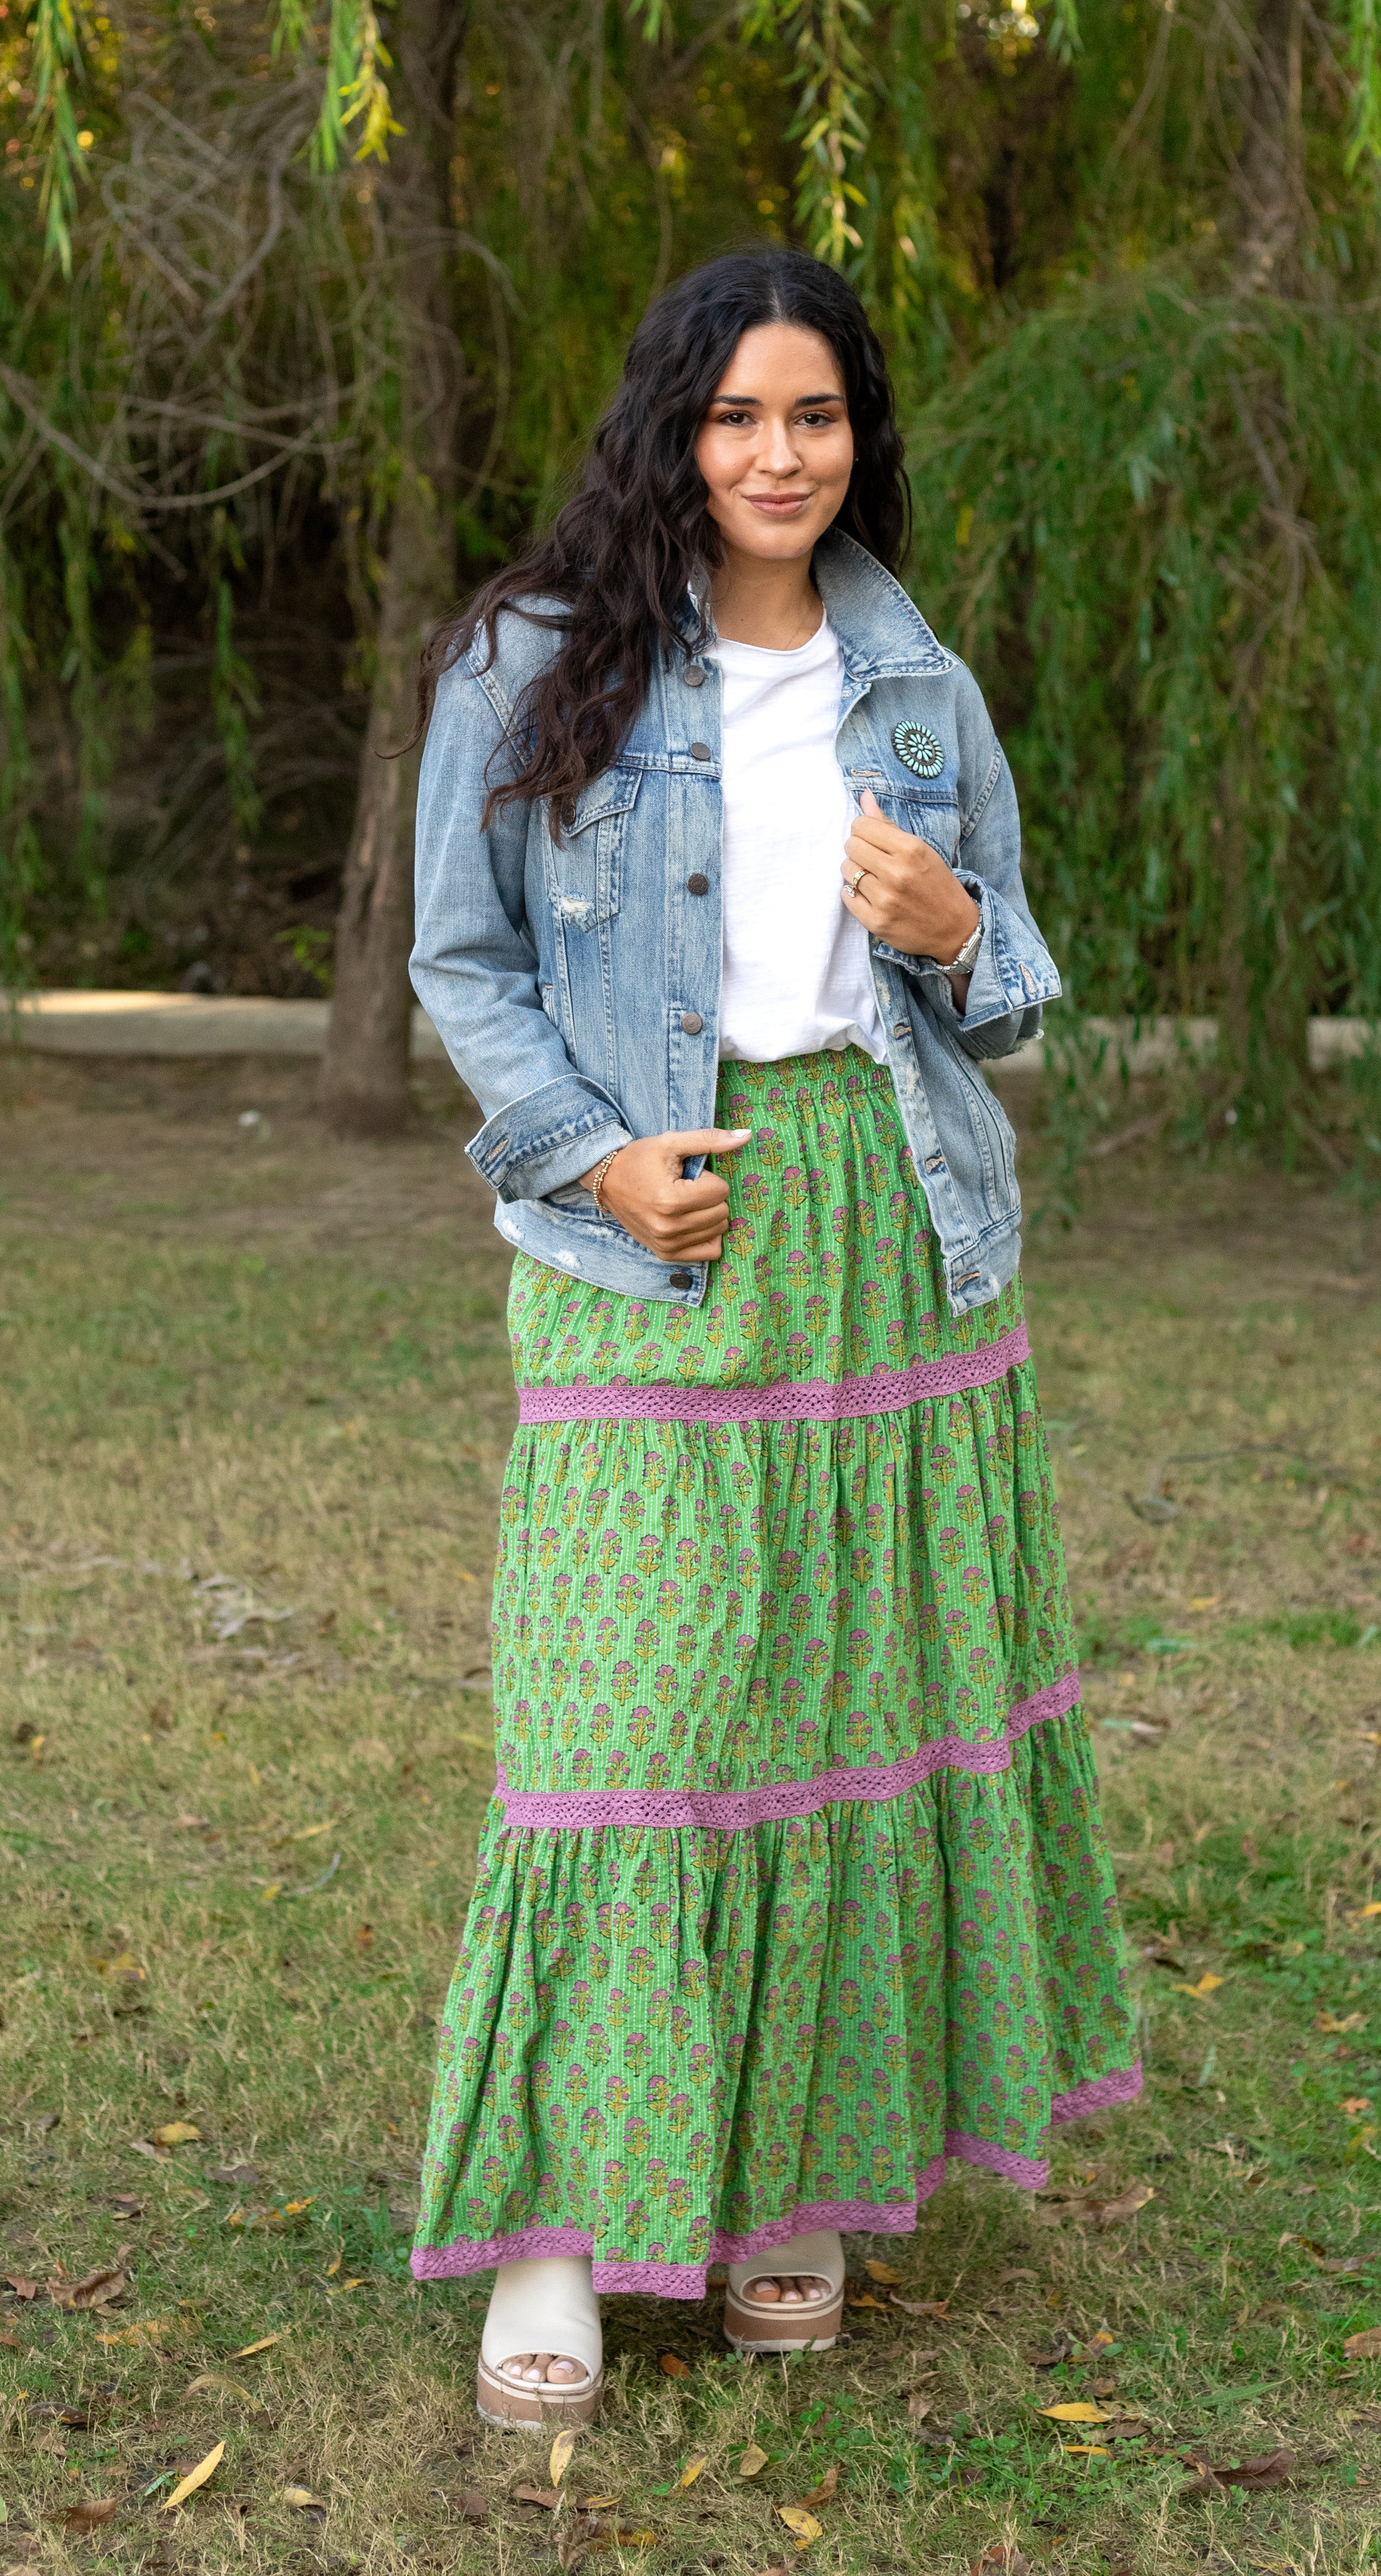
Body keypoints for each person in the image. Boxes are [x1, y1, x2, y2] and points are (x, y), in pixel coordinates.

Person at [407, 251, 1140, 2428]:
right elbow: (461, 957)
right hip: (650, 1218)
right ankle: (556, 2226)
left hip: (878, 1225)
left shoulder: (913, 680)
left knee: (840, 1689)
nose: (778, 453)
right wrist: (592, 1153)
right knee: (625, 1707)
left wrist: (959, 925)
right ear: (675, 429)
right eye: (738, 414)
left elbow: (1006, 993)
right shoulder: (533, 657)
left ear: (857, 435)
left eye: (814, 414)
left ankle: (795, 2186)